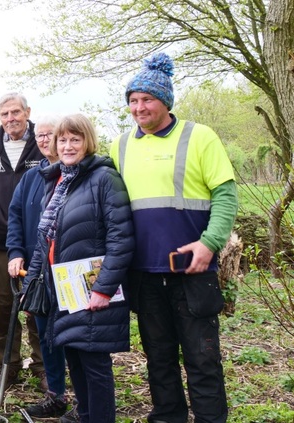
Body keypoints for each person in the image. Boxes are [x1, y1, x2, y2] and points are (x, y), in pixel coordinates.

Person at [110, 52, 237, 423]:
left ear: (165, 101)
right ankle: (168, 416)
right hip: (144, 275)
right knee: (158, 357)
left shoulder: (199, 136)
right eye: (133, 101)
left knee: (202, 358)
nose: (138, 107)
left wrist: (210, 243)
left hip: (193, 272)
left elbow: (226, 196)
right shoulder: (119, 145)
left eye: (147, 99)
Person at [25, 114, 134, 423]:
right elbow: (45, 240)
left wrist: (103, 288)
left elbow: (122, 239)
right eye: (63, 140)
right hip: (62, 288)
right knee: (74, 354)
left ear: (88, 142)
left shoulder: (103, 178)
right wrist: (33, 284)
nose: (68, 145)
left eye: (75, 139)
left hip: (91, 288)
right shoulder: (57, 180)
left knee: (94, 363)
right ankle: (85, 415)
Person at [0, 92, 46, 388]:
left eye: (16, 112)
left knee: (38, 303)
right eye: (4, 114)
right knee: (4, 305)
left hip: (38, 239)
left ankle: (43, 366)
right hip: (1, 239)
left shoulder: (42, 140)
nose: (10, 119)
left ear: (28, 112)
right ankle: (9, 366)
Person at [7, 115, 70, 418]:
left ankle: (85, 398)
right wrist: (15, 252)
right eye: (40, 135)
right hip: (39, 271)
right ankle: (56, 394)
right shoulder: (33, 178)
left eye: (51, 135)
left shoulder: (79, 175)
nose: (45, 140)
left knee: (75, 336)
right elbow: (15, 217)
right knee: (46, 335)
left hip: (71, 272)